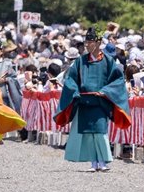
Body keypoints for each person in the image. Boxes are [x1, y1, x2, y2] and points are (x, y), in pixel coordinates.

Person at [55, 28, 131, 173]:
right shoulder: (80, 61)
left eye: (90, 42)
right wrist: (75, 91)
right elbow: (70, 79)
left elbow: (118, 80)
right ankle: (93, 162)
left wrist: (105, 91)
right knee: (88, 133)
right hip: (84, 101)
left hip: (100, 102)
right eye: (86, 42)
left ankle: (103, 161)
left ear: (98, 43)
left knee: (100, 132)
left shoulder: (108, 61)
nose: (87, 45)